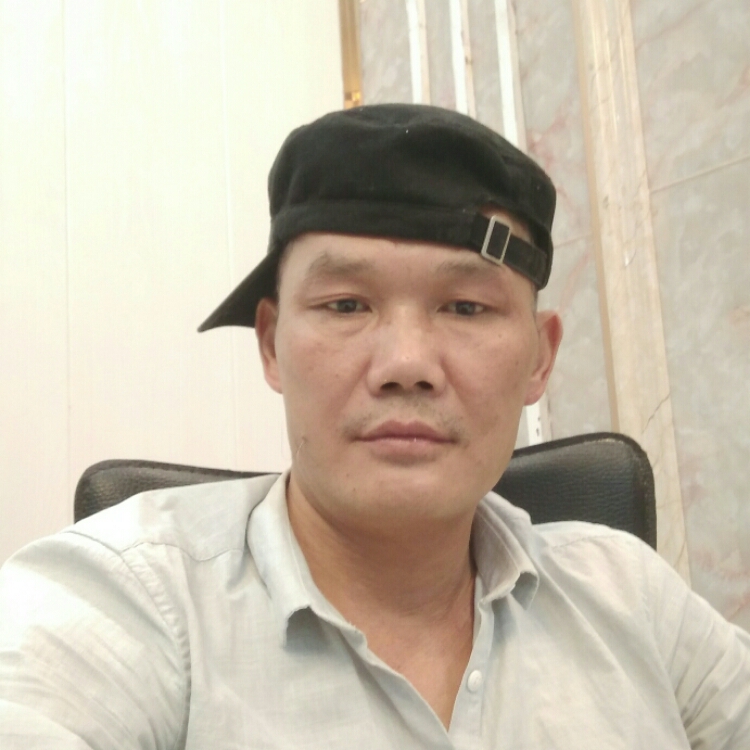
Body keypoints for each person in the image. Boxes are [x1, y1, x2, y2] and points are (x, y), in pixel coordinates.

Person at [0, 104, 748, 749]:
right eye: (346, 305)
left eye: (466, 307)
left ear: (539, 359)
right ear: (271, 345)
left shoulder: (632, 600)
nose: (406, 364)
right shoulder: (133, 602)